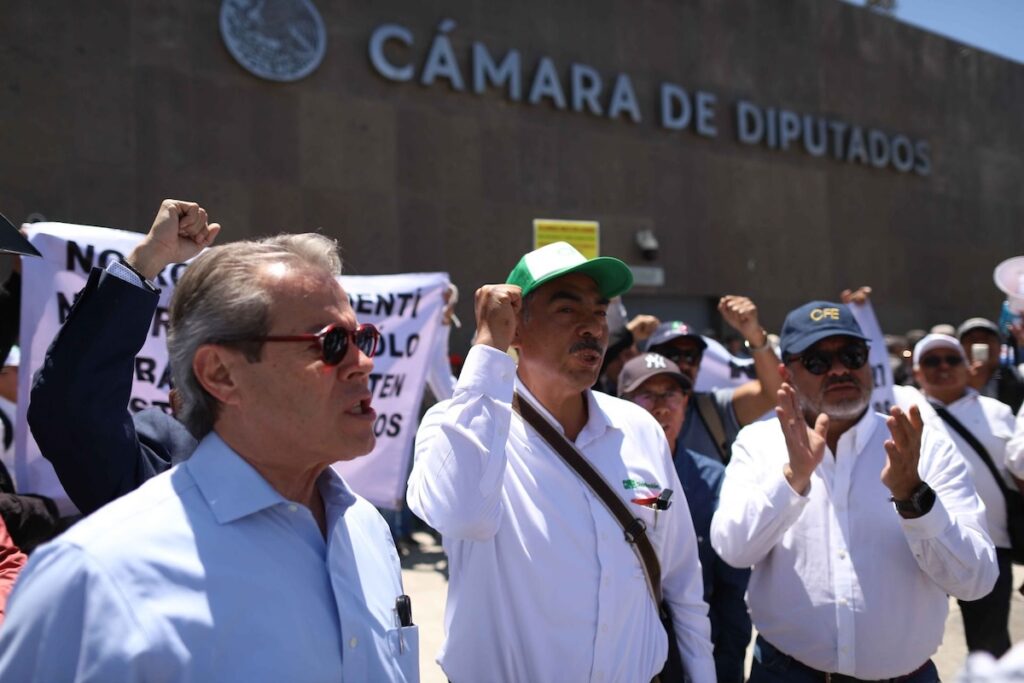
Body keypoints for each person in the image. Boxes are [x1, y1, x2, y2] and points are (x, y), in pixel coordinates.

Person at [0, 226, 418, 681]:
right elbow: (73, 407)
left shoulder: (366, 532)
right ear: (220, 375)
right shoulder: (97, 578)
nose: (364, 363)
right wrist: (141, 267)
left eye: (364, 339)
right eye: (332, 343)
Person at [407, 241, 715, 682]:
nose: (592, 328)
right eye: (568, 311)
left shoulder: (640, 429)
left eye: (599, 312)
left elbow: (682, 577)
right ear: (516, 329)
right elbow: (461, 515)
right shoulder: (457, 428)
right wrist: (487, 349)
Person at [710, 300, 998, 682]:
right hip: (785, 672)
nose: (841, 369)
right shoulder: (760, 443)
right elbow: (733, 549)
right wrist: (793, 480)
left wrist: (914, 498)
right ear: (787, 373)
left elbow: (975, 581)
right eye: (818, 361)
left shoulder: (922, 445)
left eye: (852, 354)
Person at [27, 200, 210, 515]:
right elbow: (73, 409)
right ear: (182, 401)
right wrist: (147, 260)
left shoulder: (323, 491)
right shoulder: (164, 481)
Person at [617, 352, 750, 682]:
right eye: (647, 394)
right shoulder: (606, 472)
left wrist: (727, 667)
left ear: (686, 402)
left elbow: (731, 591)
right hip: (623, 649)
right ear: (622, 404)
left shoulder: (713, 479)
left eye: (671, 394)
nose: (661, 406)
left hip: (696, 646)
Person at [893, 333, 1016, 657]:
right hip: (925, 542)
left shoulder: (1000, 412)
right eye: (932, 361)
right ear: (916, 371)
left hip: (994, 545)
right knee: (913, 643)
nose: (943, 367)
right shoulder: (904, 412)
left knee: (989, 645)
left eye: (951, 359)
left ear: (968, 365)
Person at [646, 297, 782, 463]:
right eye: (671, 354)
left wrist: (754, 335)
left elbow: (774, 393)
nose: (683, 364)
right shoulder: (624, 409)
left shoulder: (712, 410)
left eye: (691, 356)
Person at [959, 317, 1024, 413]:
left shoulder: (1018, 378)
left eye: (987, 339)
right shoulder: (950, 382)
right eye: (972, 339)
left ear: (1000, 348)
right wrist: (968, 387)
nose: (980, 344)